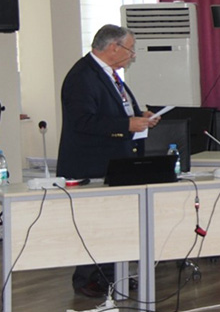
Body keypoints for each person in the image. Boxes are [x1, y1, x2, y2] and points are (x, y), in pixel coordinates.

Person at [57, 24, 160, 297]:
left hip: (116, 162)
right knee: (95, 224)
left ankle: (114, 276)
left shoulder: (109, 74)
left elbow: (118, 109)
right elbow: (83, 121)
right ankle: (88, 279)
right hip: (91, 164)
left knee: (116, 223)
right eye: (130, 49)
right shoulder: (82, 76)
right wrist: (127, 125)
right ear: (114, 47)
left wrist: (140, 116)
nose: (133, 55)